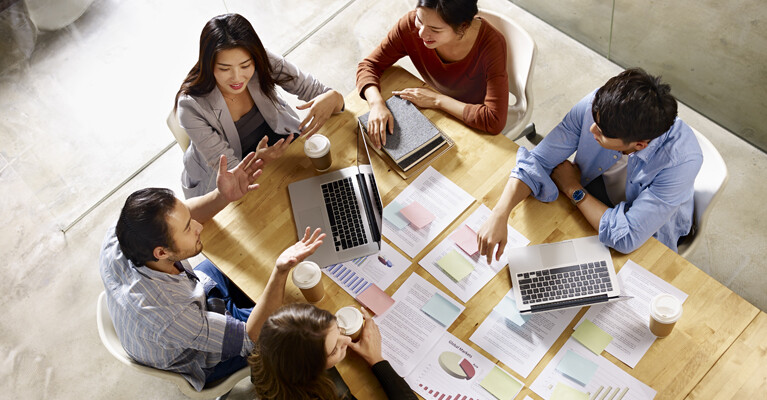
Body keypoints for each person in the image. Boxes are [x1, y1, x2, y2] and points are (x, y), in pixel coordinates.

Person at [99, 151, 326, 391]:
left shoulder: (122, 233)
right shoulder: (170, 317)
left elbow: (184, 217)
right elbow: (251, 338)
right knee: (300, 322)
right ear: (161, 253)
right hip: (198, 354)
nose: (198, 226)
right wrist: (280, 271)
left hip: (188, 300)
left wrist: (222, 196)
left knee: (253, 268)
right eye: (188, 228)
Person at [478, 68, 703, 259]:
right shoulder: (600, 106)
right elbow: (538, 161)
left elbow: (626, 238)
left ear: (640, 145)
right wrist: (500, 213)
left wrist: (572, 188)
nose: (591, 130)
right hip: (596, 193)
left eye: (602, 132)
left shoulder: (680, 162)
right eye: (594, 121)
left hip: (647, 230)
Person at [175, 13, 345, 198]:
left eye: (245, 65)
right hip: (227, 175)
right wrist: (258, 160)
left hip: (276, 145)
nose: (237, 77)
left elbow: (315, 90)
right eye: (224, 69)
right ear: (208, 65)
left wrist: (333, 96)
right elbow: (230, 171)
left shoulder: (261, 60)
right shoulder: (190, 107)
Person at [356, 0, 508, 147]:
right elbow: (369, 65)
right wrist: (376, 104)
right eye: (419, 20)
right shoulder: (410, 25)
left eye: (435, 29)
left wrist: (437, 100)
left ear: (463, 27)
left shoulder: (492, 45)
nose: (421, 33)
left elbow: (494, 120)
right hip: (431, 110)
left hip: (468, 117)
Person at [250, 303, 417, 400]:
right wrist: (377, 361)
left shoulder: (267, 352)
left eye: (338, 327)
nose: (347, 340)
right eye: (333, 350)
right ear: (310, 372)